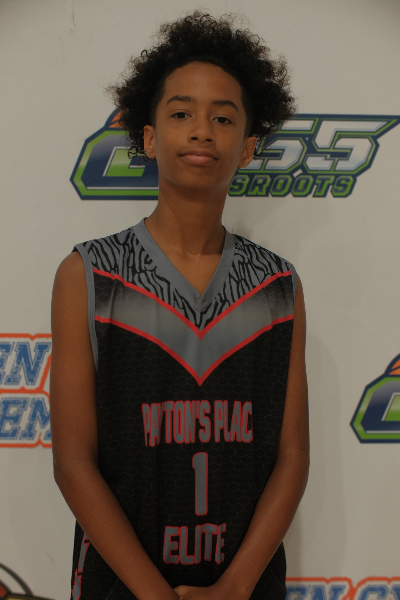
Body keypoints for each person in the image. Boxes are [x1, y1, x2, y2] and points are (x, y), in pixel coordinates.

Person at [50, 11, 309, 600]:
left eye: (223, 117)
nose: (201, 131)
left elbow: (292, 456)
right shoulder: (89, 275)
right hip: (121, 585)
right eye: (181, 114)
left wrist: (234, 588)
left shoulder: (277, 285)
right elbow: (72, 463)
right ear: (148, 138)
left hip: (244, 586)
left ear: (247, 147)